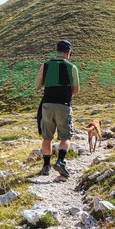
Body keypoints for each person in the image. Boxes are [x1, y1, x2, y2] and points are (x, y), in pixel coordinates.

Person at [35, 40, 80, 177]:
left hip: (47, 105)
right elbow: (76, 90)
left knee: (47, 137)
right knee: (65, 137)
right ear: (68, 52)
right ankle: (60, 161)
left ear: (56, 51)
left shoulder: (45, 65)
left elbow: (37, 86)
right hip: (64, 105)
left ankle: (46, 166)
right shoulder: (72, 67)